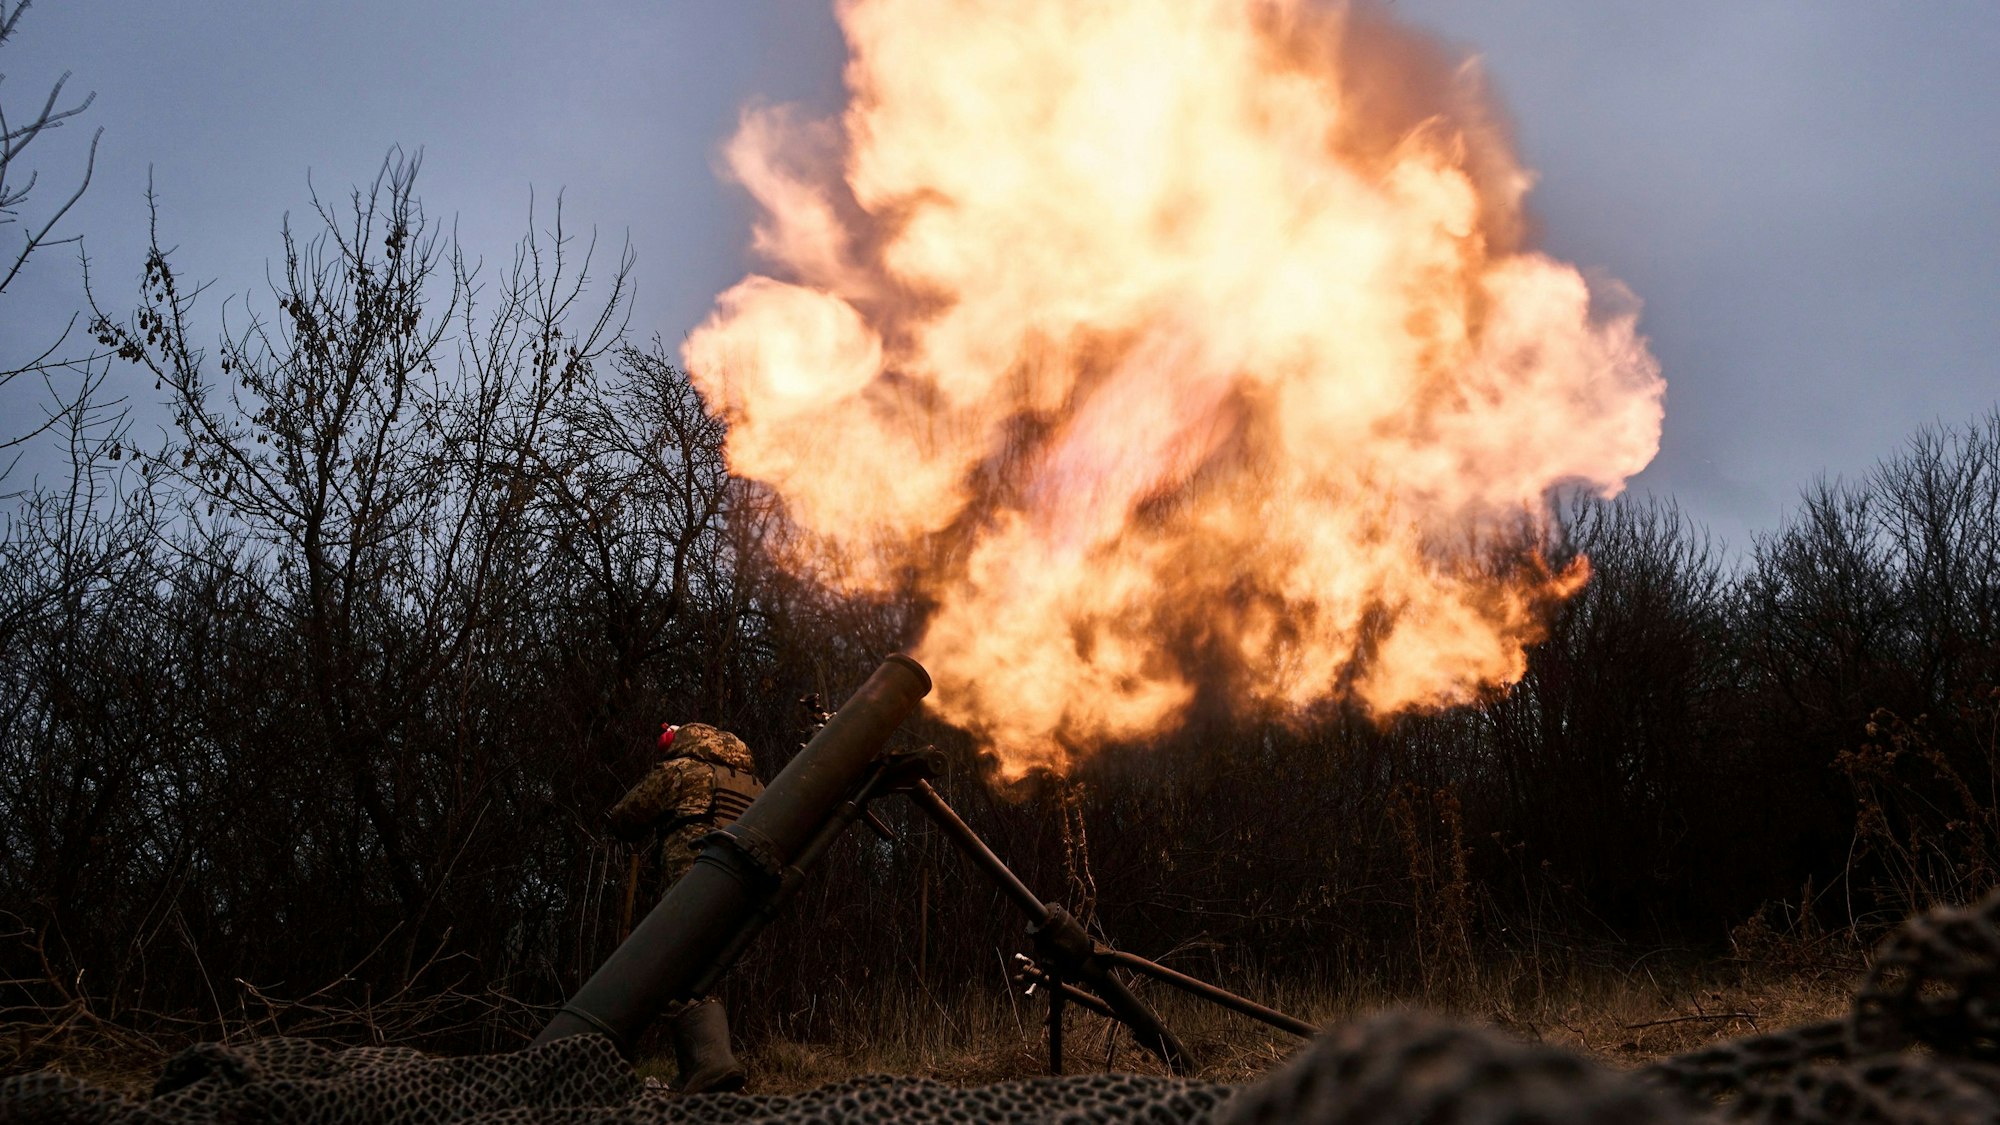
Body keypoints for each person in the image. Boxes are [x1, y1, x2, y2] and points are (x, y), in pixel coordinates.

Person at [607, 721, 764, 1094]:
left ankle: (710, 1066)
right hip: (742, 895)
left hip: (689, 887)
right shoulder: (752, 784)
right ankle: (706, 1069)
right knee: (699, 974)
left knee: (671, 973)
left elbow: (625, 816)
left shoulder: (679, 769)